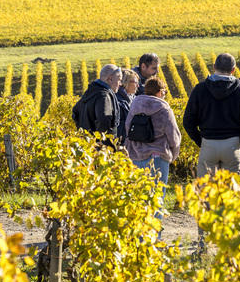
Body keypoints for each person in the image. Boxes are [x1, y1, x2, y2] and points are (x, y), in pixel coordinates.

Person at [183, 53, 240, 177]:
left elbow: (188, 121)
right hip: (232, 144)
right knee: (231, 190)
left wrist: (200, 140)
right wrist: (239, 141)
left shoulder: (200, 89)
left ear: (213, 67)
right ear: (233, 70)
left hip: (208, 143)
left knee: (205, 191)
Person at [125, 77, 181, 210]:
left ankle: (141, 230)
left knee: (139, 198)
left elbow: (128, 128)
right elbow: (174, 136)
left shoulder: (134, 105)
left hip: (135, 156)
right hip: (157, 157)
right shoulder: (164, 110)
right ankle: (155, 230)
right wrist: (173, 155)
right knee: (156, 199)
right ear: (160, 92)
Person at [72, 64, 122, 142]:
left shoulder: (90, 91)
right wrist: (101, 142)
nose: (120, 84)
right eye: (119, 80)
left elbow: (75, 112)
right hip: (100, 148)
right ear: (110, 79)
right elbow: (104, 121)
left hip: (87, 143)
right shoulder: (104, 96)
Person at [116, 69, 138, 138]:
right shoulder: (117, 100)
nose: (138, 86)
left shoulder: (134, 99)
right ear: (125, 82)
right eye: (135, 82)